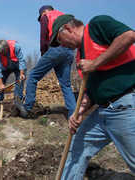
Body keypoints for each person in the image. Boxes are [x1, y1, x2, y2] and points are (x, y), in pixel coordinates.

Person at [50, 14, 135, 179]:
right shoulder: (80, 55)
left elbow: (129, 36)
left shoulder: (97, 25)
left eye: (61, 40)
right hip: (102, 111)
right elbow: (91, 91)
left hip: (123, 105)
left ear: (68, 29)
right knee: (77, 146)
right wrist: (79, 112)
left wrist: (95, 63)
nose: (62, 45)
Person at [15, 5, 76, 118]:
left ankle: (27, 108)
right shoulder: (64, 16)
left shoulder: (46, 16)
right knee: (66, 85)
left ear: (43, 12)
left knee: (33, 75)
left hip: (56, 49)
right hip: (70, 51)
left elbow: (44, 37)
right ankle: (73, 115)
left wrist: (43, 53)